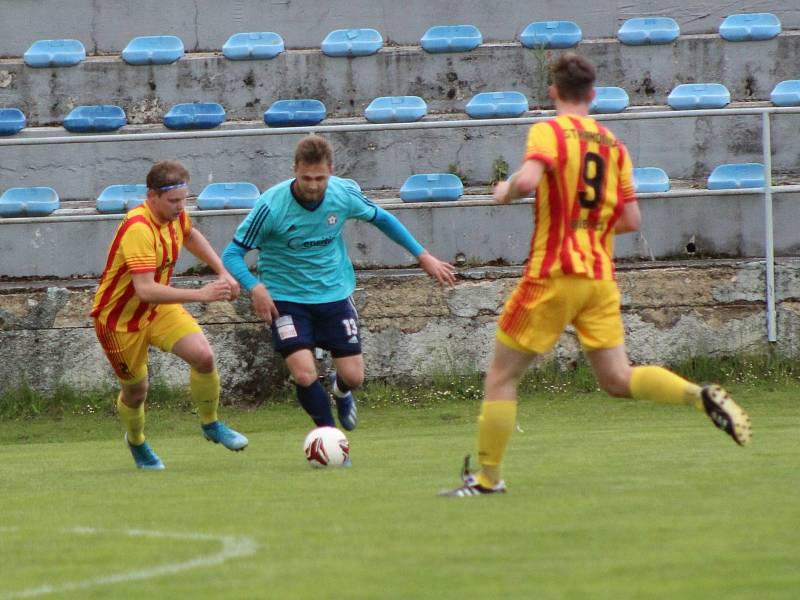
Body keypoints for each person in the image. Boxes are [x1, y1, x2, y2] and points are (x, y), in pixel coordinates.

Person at [441, 53, 752, 497]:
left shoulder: (548, 131)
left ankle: (489, 478)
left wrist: (503, 191)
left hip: (554, 273)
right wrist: (591, 223)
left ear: (553, 92)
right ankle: (696, 395)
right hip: (599, 277)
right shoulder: (612, 144)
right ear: (592, 95)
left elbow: (528, 182)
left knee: (501, 376)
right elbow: (631, 219)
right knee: (618, 380)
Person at [222, 135, 455, 436]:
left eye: (320, 178)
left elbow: (382, 218)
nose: (313, 185)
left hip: (333, 293)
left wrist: (422, 256)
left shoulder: (343, 194)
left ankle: (341, 392)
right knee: (305, 373)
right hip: (286, 298)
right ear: (295, 169)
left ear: (331, 170)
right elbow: (232, 254)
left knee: (354, 377)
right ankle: (332, 438)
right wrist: (255, 287)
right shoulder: (270, 206)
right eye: (306, 177)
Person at [91, 160, 249, 470]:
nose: (181, 207)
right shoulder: (138, 228)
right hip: (119, 321)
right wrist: (201, 295)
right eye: (174, 201)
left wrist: (222, 271)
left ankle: (211, 424)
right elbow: (146, 290)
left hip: (158, 310)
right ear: (151, 196)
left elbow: (191, 236)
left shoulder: (175, 216)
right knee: (136, 392)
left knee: (203, 356)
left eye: (184, 199)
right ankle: (136, 442)